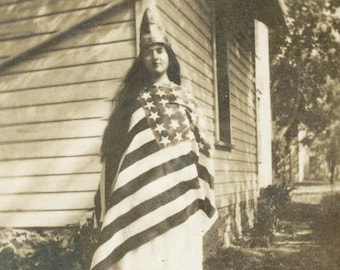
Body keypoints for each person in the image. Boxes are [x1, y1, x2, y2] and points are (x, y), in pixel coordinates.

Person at [90, 8, 217, 270]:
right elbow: (118, 152)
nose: (154, 56)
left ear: (169, 55)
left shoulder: (186, 98)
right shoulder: (133, 102)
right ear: (141, 59)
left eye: (160, 50)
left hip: (183, 195)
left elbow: (202, 146)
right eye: (148, 52)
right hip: (141, 199)